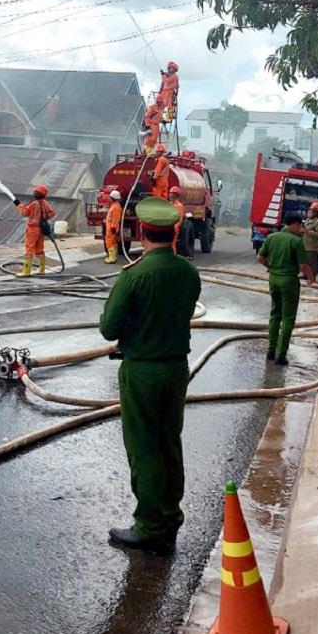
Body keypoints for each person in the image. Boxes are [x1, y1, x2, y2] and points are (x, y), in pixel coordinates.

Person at [101, 197, 201, 554]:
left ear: (142, 232)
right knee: (169, 443)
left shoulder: (134, 275)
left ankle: (149, 526)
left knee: (144, 446)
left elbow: (108, 329)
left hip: (142, 370)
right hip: (176, 368)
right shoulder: (189, 273)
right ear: (174, 231)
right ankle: (170, 516)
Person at [258, 214, 315, 366]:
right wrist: (311, 278)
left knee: (275, 314)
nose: (301, 229)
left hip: (273, 279)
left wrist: (271, 267)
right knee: (288, 318)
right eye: (300, 226)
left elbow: (260, 257)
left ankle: (271, 350)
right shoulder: (296, 241)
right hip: (289, 281)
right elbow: (303, 265)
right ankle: (281, 355)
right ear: (295, 224)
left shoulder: (272, 237)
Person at [13, 185, 55, 277]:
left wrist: (19, 205)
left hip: (32, 229)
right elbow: (52, 213)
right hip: (41, 229)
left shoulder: (33, 204)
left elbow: (24, 213)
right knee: (40, 249)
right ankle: (41, 270)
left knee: (29, 249)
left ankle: (26, 271)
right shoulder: (44, 203)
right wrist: (44, 218)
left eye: (35, 192)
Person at [303, 202, 318, 281]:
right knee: (305, 261)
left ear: (315, 213)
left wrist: (308, 232)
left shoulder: (317, 222)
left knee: (312, 263)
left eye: (310, 212)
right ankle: (305, 274)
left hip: (312, 246)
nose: (309, 213)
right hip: (305, 244)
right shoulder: (307, 220)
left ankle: (312, 277)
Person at [104, 189, 123, 265]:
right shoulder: (115, 206)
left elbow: (115, 219)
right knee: (113, 242)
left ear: (112, 198)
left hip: (111, 228)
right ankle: (113, 257)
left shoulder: (115, 207)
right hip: (111, 227)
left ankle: (112, 258)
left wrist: (113, 228)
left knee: (109, 242)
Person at [169, 186, 186, 254]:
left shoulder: (179, 206)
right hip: (168, 227)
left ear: (176, 195)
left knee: (172, 244)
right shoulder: (169, 204)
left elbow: (180, 219)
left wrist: (175, 227)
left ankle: (173, 257)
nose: (170, 195)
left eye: (172, 194)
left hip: (174, 228)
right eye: (170, 194)